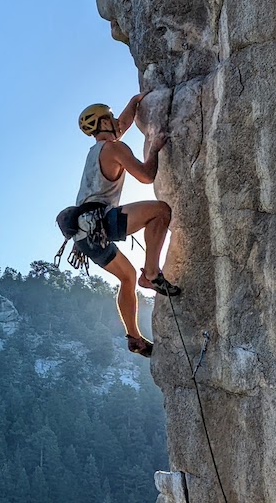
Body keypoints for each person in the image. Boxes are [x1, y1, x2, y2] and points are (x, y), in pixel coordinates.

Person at [70, 95, 180, 357]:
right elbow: (145, 176)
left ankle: (134, 336)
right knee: (160, 211)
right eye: (110, 118)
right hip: (101, 222)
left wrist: (134, 102)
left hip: (84, 235)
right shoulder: (115, 149)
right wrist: (154, 149)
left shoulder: (98, 150)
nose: (117, 122)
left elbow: (123, 122)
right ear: (104, 122)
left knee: (126, 277)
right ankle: (152, 274)